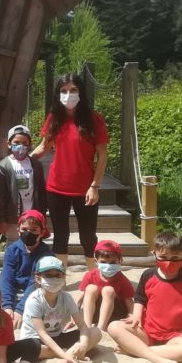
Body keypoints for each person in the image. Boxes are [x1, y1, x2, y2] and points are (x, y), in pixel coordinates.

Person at [31, 72, 108, 270]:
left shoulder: (93, 119)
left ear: (81, 92)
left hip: (86, 188)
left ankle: (93, 275)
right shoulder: (54, 118)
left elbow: (102, 155)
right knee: (60, 234)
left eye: (73, 90)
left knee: (87, 235)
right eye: (64, 90)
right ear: (58, 94)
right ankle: (59, 276)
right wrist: (21, 159)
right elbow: (43, 148)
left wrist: (95, 186)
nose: (68, 94)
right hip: (56, 188)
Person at [108, 231, 182, 363]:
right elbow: (139, 298)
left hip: (177, 336)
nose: (169, 262)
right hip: (147, 332)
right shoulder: (148, 275)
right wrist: (136, 316)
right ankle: (153, 356)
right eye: (163, 257)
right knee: (114, 327)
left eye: (175, 258)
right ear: (154, 254)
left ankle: (135, 351)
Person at [17, 256, 101, 363]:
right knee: (31, 348)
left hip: (57, 337)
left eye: (58, 275)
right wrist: (66, 355)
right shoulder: (34, 300)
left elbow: (82, 326)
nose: (54, 279)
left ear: (64, 277)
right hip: (35, 340)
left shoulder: (66, 297)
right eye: (48, 275)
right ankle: (67, 353)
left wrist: (83, 345)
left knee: (96, 332)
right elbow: (42, 334)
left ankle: (68, 352)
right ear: (38, 278)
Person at [0, 209, 54, 327]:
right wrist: (7, 306)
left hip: (36, 292)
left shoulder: (46, 255)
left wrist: (20, 310)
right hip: (14, 291)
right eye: (24, 229)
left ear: (42, 232)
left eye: (34, 230)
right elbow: (6, 278)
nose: (28, 233)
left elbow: (35, 283)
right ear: (18, 231)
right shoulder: (12, 250)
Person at [0, 124, 47, 241]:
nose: (20, 146)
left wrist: (42, 214)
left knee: (33, 244)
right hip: (12, 218)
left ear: (30, 144)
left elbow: (41, 191)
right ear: (9, 144)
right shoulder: (3, 166)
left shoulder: (36, 165)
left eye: (24, 142)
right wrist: (2, 220)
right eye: (16, 142)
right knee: (14, 245)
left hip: (33, 216)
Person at [78, 239, 134, 331]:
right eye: (103, 262)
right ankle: (87, 326)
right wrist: (74, 315)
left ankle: (101, 329)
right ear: (96, 261)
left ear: (120, 261)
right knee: (90, 288)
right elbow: (80, 299)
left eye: (112, 262)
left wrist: (131, 314)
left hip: (114, 316)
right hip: (95, 313)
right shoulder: (90, 275)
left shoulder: (122, 280)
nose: (108, 265)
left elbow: (129, 302)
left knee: (108, 290)